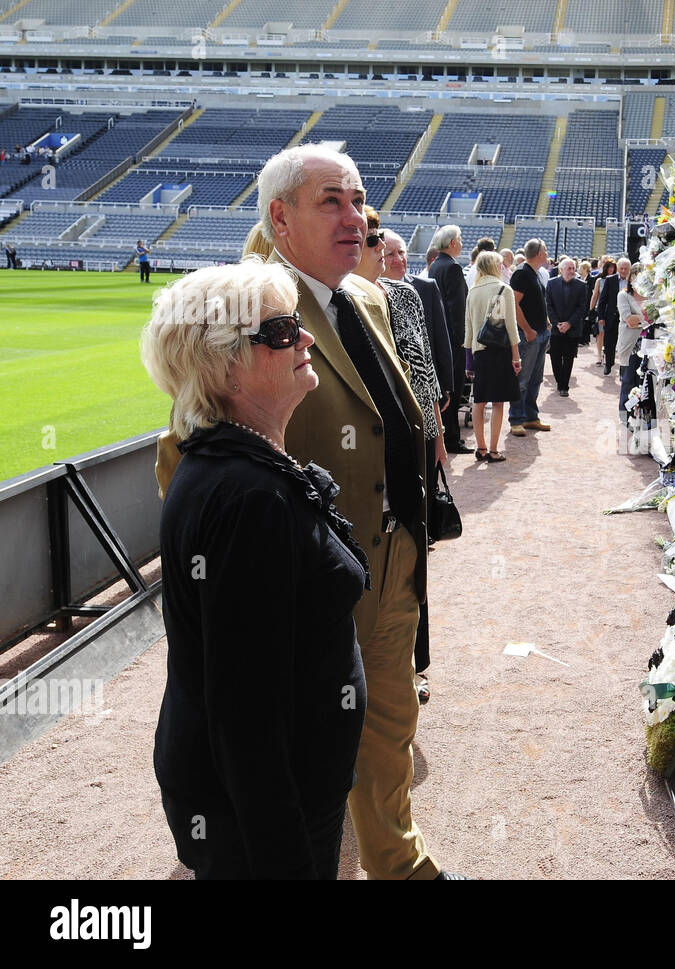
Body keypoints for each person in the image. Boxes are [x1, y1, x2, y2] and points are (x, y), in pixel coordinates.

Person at [156, 144, 459, 880]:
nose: (355, 217)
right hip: (303, 576)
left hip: (387, 562)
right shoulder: (252, 308)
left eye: (360, 200)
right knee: (292, 744)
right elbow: (188, 448)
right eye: (333, 201)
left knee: (388, 723)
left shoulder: (372, 297)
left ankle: (398, 861)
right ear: (279, 218)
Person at [142, 260, 367, 879]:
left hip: (261, 794)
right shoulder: (248, 497)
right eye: (281, 330)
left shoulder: (233, 465)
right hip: (258, 810)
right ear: (224, 364)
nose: (306, 338)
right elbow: (245, 718)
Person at [361, 211, 446, 708]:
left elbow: (425, 369)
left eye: (382, 242)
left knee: (413, 558)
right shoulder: (341, 305)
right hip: (368, 454)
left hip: (412, 445)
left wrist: (435, 433)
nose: (379, 251)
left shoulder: (405, 296)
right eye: (375, 243)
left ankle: (414, 667)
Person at [384, 230, 454, 454]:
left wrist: (446, 385)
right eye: (390, 254)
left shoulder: (426, 287)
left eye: (401, 252)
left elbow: (440, 340)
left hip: (427, 386)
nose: (399, 259)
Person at [464, 250, 521, 461]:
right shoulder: (503, 289)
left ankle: (480, 447)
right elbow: (511, 328)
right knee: (498, 403)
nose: (503, 268)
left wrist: (469, 362)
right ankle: (494, 450)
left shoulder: (472, 292)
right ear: (494, 266)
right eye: (500, 264)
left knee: (478, 402)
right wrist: (516, 357)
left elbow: (468, 331)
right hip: (500, 352)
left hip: (479, 354)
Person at [426, 225, 475, 456]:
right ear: (452, 242)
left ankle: (446, 435)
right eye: (460, 239)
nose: (463, 243)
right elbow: (457, 308)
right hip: (453, 338)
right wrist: (462, 339)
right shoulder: (453, 267)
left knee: (446, 388)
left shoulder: (436, 264)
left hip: (441, 334)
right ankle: (452, 439)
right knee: (453, 390)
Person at [508, 238, 551, 437]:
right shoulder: (521, 273)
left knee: (535, 379)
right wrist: (527, 329)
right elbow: (513, 305)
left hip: (540, 333)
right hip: (529, 336)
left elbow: (537, 302)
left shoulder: (533, 273)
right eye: (545, 250)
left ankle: (531, 417)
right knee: (523, 379)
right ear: (538, 253)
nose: (547, 253)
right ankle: (516, 419)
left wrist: (547, 321)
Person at [545, 257, 587, 398]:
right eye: (568, 268)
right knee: (555, 357)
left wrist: (569, 323)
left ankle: (564, 386)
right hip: (556, 328)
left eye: (573, 268)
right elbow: (548, 305)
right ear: (561, 269)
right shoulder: (551, 284)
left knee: (569, 358)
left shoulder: (581, 285)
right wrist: (557, 323)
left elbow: (582, 308)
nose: (571, 271)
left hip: (573, 328)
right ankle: (559, 381)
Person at [616, 268, 648, 419]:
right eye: (636, 276)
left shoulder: (651, 296)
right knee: (628, 381)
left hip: (648, 346)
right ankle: (625, 415)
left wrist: (640, 319)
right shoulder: (623, 295)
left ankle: (638, 415)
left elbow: (639, 320)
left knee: (644, 382)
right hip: (631, 346)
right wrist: (648, 318)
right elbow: (629, 320)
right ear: (631, 278)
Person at [596, 257, 631, 375]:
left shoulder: (633, 280)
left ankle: (623, 368)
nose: (624, 271)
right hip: (611, 316)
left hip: (627, 317)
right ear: (618, 269)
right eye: (621, 268)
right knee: (609, 342)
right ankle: (609, 364)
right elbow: (602, 300)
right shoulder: (610, 280)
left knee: (624, 343)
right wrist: (600, 317)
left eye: (626, 268)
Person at [589, 257, 615, 363]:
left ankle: (607, 353)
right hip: (601, 310)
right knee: (600, 333)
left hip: (613, 310)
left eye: (612, 267)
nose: (610, 269)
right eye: (608, 267)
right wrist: (591, 310)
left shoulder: (617, 280)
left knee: (610, 334)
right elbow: (595, 296)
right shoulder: (599, 280)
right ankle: (599, 355)